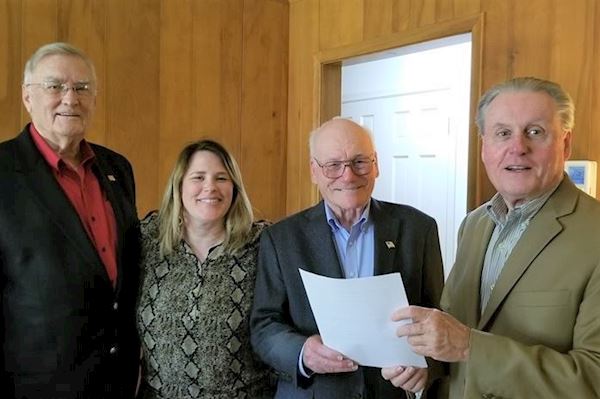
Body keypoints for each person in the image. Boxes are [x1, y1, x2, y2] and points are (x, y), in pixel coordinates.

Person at [382, 77, 600, 398]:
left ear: (564, 144)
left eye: (535, 132)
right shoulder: (474, 225)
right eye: (502, 133)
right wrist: (425, 364)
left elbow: (593, 379)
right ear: (485, 146)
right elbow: (456, 329)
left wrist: (470, 347)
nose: (517, 147)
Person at [250, 118, 445, 398]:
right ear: (314, 171)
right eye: (333, 166)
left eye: (359, 162)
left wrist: (426, 366)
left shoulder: (418, 229)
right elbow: (264, 325)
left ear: (376, 165)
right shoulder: (281, 238)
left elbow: (439, 316)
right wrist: (303, 353)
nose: (348, 176)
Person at [0, 42, 140, 398]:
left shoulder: (117, 169)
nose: (70, 98)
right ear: (27, 96)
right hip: (36, 386)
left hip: (117, 383)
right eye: (55, 86)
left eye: (82, 88)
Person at [136, 139, 274, 398]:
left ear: (234, 187)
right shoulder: (147, 239)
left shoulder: (263, 244)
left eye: (221, 178)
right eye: (198, 177)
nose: (210, 187)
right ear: (179, 186)